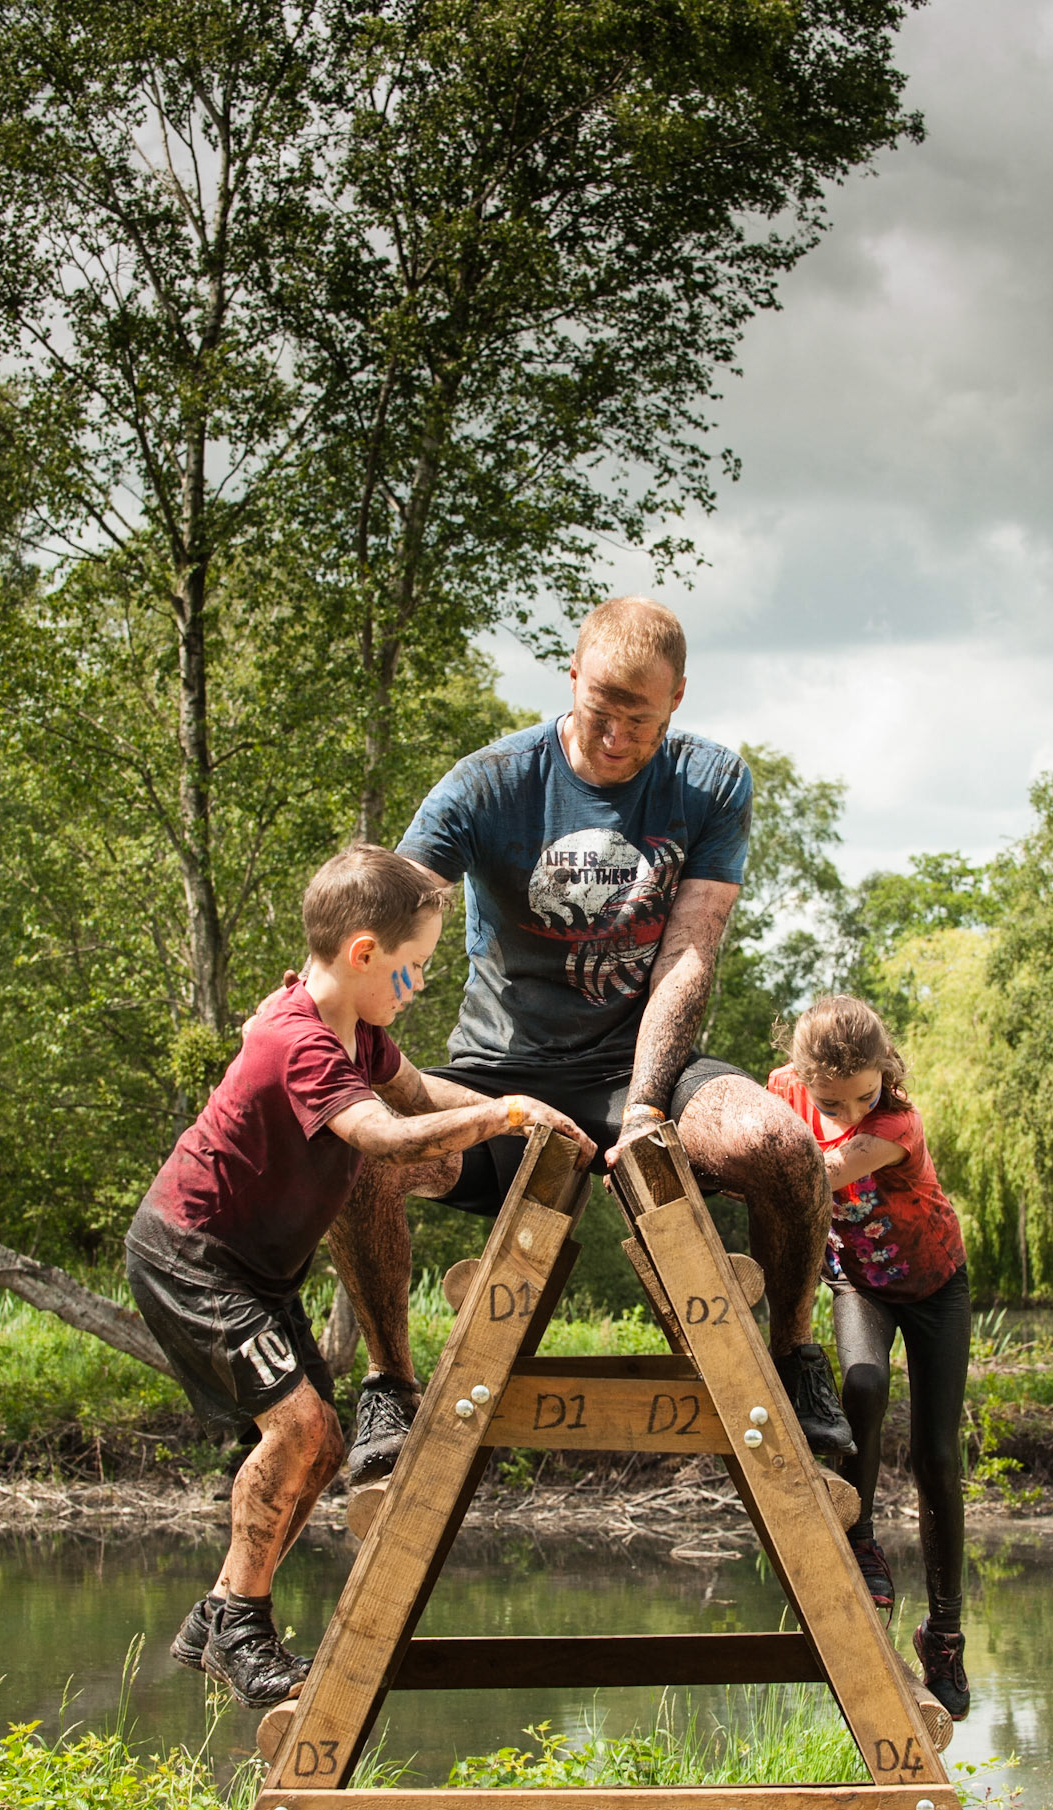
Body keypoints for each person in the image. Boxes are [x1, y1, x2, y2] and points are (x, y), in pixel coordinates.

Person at [331, 596, 854, 1486]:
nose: (615, 736)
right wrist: (330, 1024)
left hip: (641, 1067)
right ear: (570, 676)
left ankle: (798, 1361)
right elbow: (389, 916)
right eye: (599, 709)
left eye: (639, 719)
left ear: (678, 699)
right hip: (501, 1080)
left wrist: (649, 1104)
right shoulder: (486, 782)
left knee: (782, 1145)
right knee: (355, 1155)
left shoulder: (710, 782)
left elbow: (688, 954)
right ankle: (387, 1383)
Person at [125, 845, 592, 1710]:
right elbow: (382, 1139)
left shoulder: (358, 1030)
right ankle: (241, 1627)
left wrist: (533, 1120)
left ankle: (221, 1608)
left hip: (257, 1271)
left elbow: (419, 1098)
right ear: (364, 953)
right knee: (299, 1428)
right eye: (415, 970)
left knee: (326, 1444)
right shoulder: (299, 1041)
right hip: (190, 1255)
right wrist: (504, 1109)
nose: (418, 987)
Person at [767, 994, 972, 1720]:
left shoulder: (896, 1124)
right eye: (832, 1098)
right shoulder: (786, 1089)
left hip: (937, 1287)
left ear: (885, 1072)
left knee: (938, 1460)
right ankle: (861, 1540)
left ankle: (944, 1633)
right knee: (861, 1383)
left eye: (866, 1093)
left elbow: (806, 1175)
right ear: (800, 1075)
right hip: (862, 1285)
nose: (852, 1110)